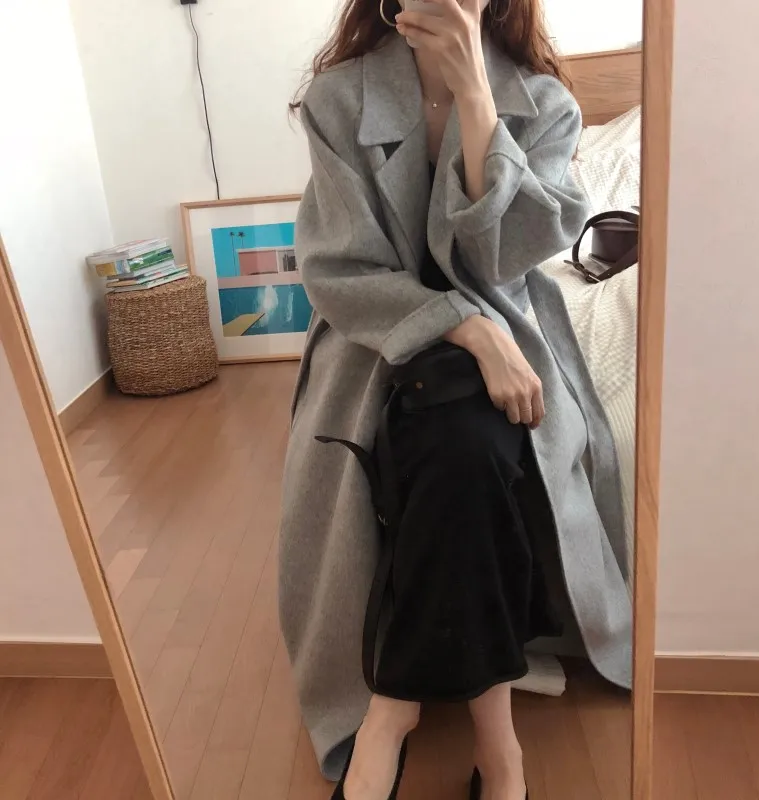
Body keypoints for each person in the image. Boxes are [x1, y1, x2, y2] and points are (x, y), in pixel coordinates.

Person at [279, 1, 632, 798]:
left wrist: (476, 97)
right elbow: (340, 268)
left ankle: (392, 712)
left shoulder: (545, 103)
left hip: (509, 322)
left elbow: (508, 256)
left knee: (464, 442)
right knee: (460, 441)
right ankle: (497, 745)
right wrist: (467, 331)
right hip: (376, 332)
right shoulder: (340, 99)